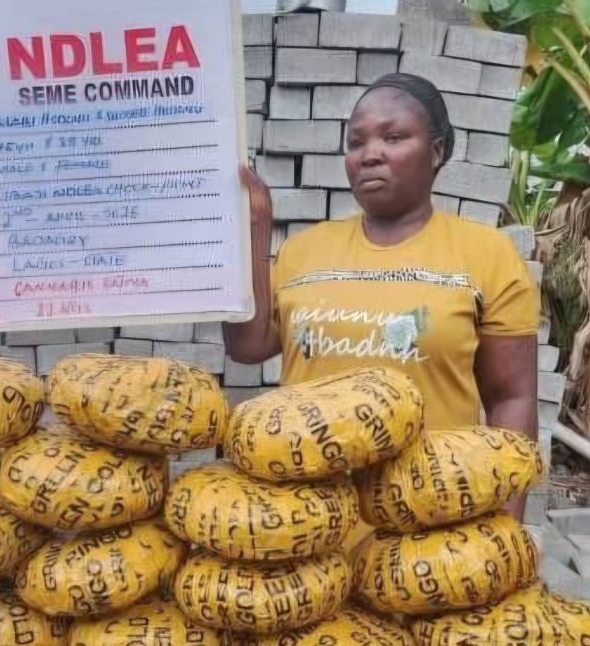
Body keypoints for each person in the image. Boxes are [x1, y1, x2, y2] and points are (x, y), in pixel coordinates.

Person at [227, 73, 539, 518]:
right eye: (356, 142)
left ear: (436, 151)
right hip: (309, 525)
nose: (369, 154)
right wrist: (252, 227)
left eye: (393, 137)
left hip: (430, 530)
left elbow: (511, 398)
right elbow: (247, 346)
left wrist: (501, 528)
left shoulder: (487, 254)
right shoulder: (303, 250)